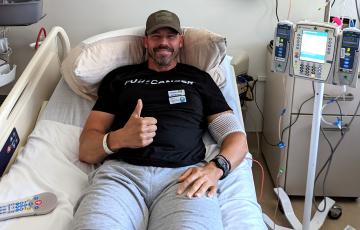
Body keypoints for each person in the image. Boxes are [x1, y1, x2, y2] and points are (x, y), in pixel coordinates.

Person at [71, 10, 249, 230]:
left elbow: (236, 136)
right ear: (145, 41)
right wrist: (118, 138)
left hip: (186, 176)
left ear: (181, 41)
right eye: (156, 36)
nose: (163, 43)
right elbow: (86, 150)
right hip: (121, 175)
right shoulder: (120, 78)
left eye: (171, 36)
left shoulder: (199, 79)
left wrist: (215, 169)